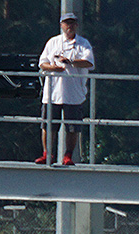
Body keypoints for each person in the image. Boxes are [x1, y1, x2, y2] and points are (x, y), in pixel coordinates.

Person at [36, 12, 94, 166]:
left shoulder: (83, 44)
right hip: (52, 93)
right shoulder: (53, 42)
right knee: (48, 125)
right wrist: (54, 67)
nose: (70, 26)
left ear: (77, 25)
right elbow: (42, 63)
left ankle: (68, 155)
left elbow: (89, 63)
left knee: (73, 127)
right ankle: (47, 154)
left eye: (73, 23)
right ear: (61, 25)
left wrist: (72, 62)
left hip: (74, 94)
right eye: (67, 23)